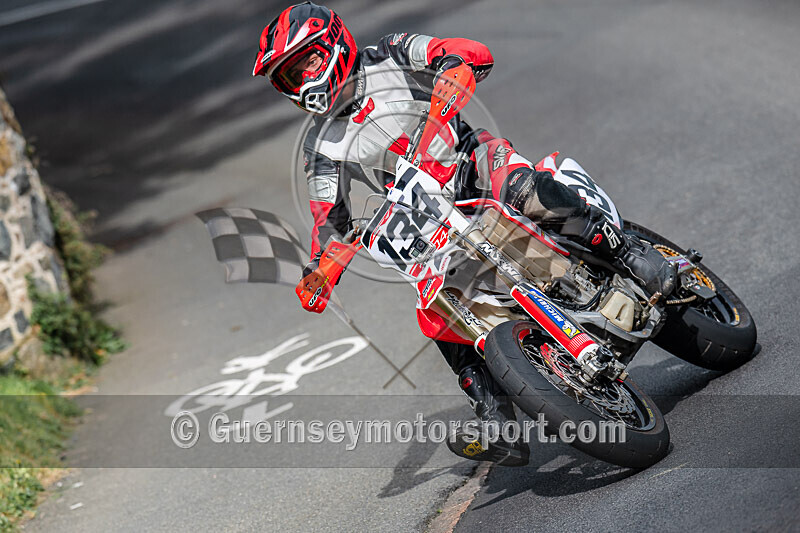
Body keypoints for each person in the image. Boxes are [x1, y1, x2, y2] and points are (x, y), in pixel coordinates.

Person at [253, 2, 676, 465]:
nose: (301, 83)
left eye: (304, 64)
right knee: (434, 299)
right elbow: (327, 218)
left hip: (471, 165)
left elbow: (464, 51)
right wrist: (322, 269)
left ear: (333, 42)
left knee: (522, 189)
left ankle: (632, 254)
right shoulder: (321, 146)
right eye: (288, 77)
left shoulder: (392, 54)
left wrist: (452, 73)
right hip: (423, 217)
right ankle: (495, 418)